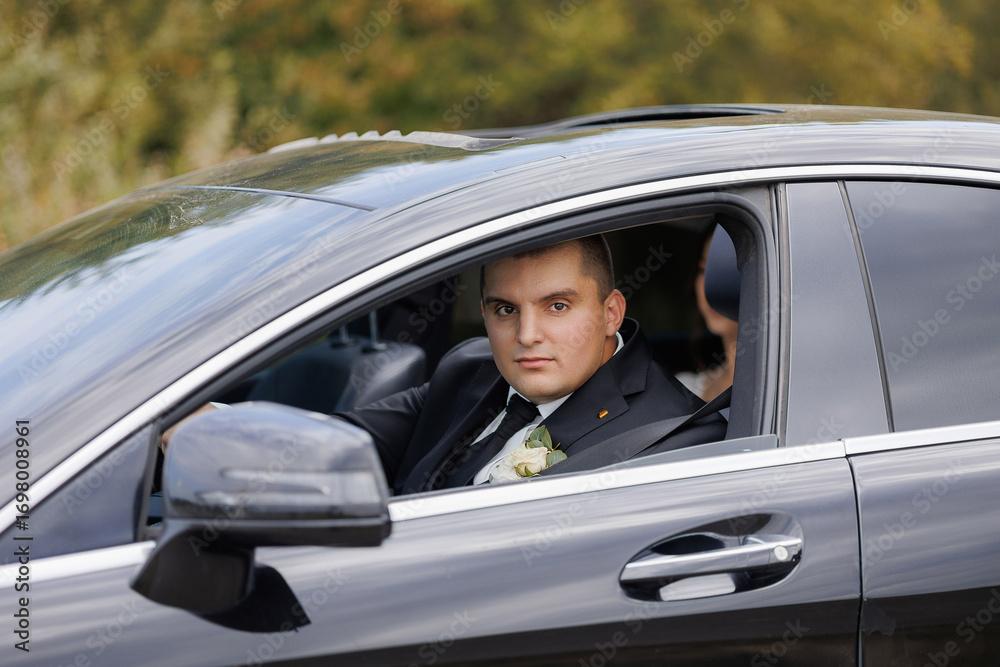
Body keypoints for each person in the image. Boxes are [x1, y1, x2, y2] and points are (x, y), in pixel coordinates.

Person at [339, 234, 728, 494]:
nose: (526, 335)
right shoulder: (468, 368)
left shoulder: (674, 437)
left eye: (557, 306)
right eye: (506, 310)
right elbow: (339, 442)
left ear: (611, 313)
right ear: (484, 314)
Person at [677, 230, 738, 401]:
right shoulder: (684, 390)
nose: (711, 289)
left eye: (728, 273)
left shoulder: (788, 390)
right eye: (704, 270)